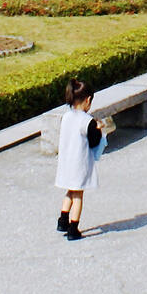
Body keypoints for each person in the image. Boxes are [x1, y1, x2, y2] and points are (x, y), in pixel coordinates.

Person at [52, 79, 104, 241]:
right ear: (87, 100)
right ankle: (74, 228)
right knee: (78, 195)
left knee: (70, 191)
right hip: (79, 164)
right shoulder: (87, 120)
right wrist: (99, 130)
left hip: (66, 162)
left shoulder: (67, 116)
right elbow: (94, 141)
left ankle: (62, 219)